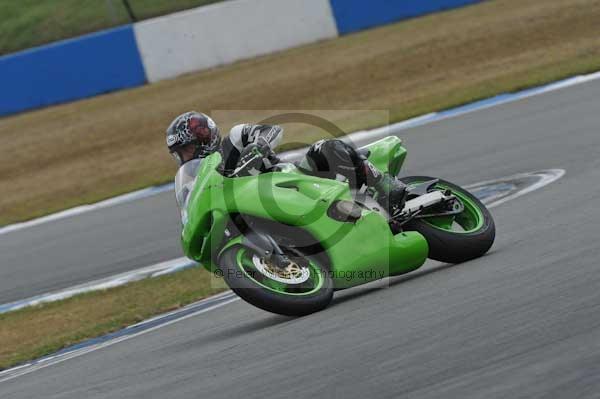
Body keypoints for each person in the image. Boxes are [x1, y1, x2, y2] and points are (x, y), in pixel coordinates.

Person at [166, 111, 406, 219]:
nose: (186, 156)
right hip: (266, 208)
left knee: (326, 147)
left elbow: (272, 131)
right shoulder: (195, 180)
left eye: (187, 148)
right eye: (180, 153)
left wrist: (258, 145)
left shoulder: (235, 139)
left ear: (204, 138)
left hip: (295, 181)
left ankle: (383, 187)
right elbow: (192, 208)